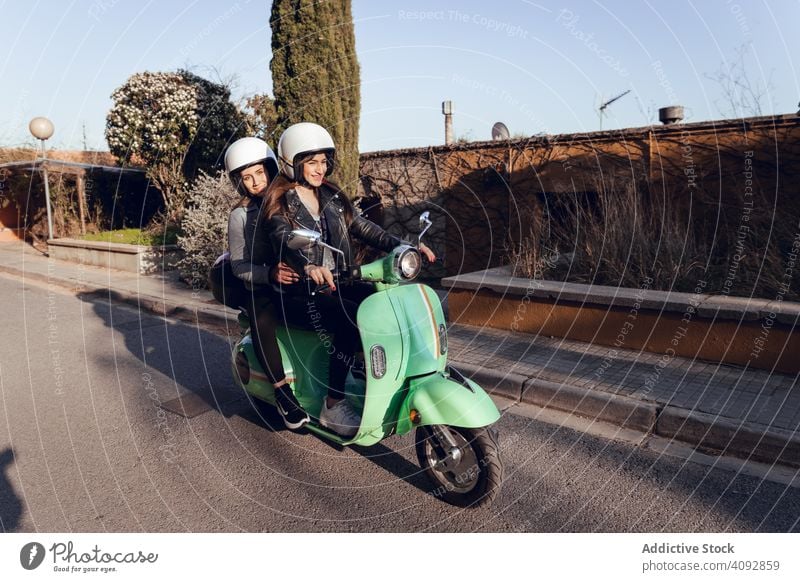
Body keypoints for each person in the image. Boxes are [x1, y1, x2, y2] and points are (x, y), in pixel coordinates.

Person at [264, 123, 435, 437]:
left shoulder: (330, 195)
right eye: (311, 161)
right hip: (299, 293)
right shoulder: (279, 203)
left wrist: (404, 246)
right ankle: (333, 404)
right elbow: (284, 238)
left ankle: (372, 371)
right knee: (347, 318)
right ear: (292, 163)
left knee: (382, 304)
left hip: (338, 281)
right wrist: (307, 266)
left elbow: (364, 228)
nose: (320, 168)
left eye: (324, 160)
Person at [224, 137, 310, 430]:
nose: (255, 182)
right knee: (262, 317)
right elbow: (238, 265)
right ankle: (283, 393)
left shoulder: (291, 201)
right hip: (261, 287)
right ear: (239, 182)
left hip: (299, 282)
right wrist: (269, 274)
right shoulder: (239, 216)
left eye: (259, 172)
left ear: (271, 169)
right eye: (246, 177)